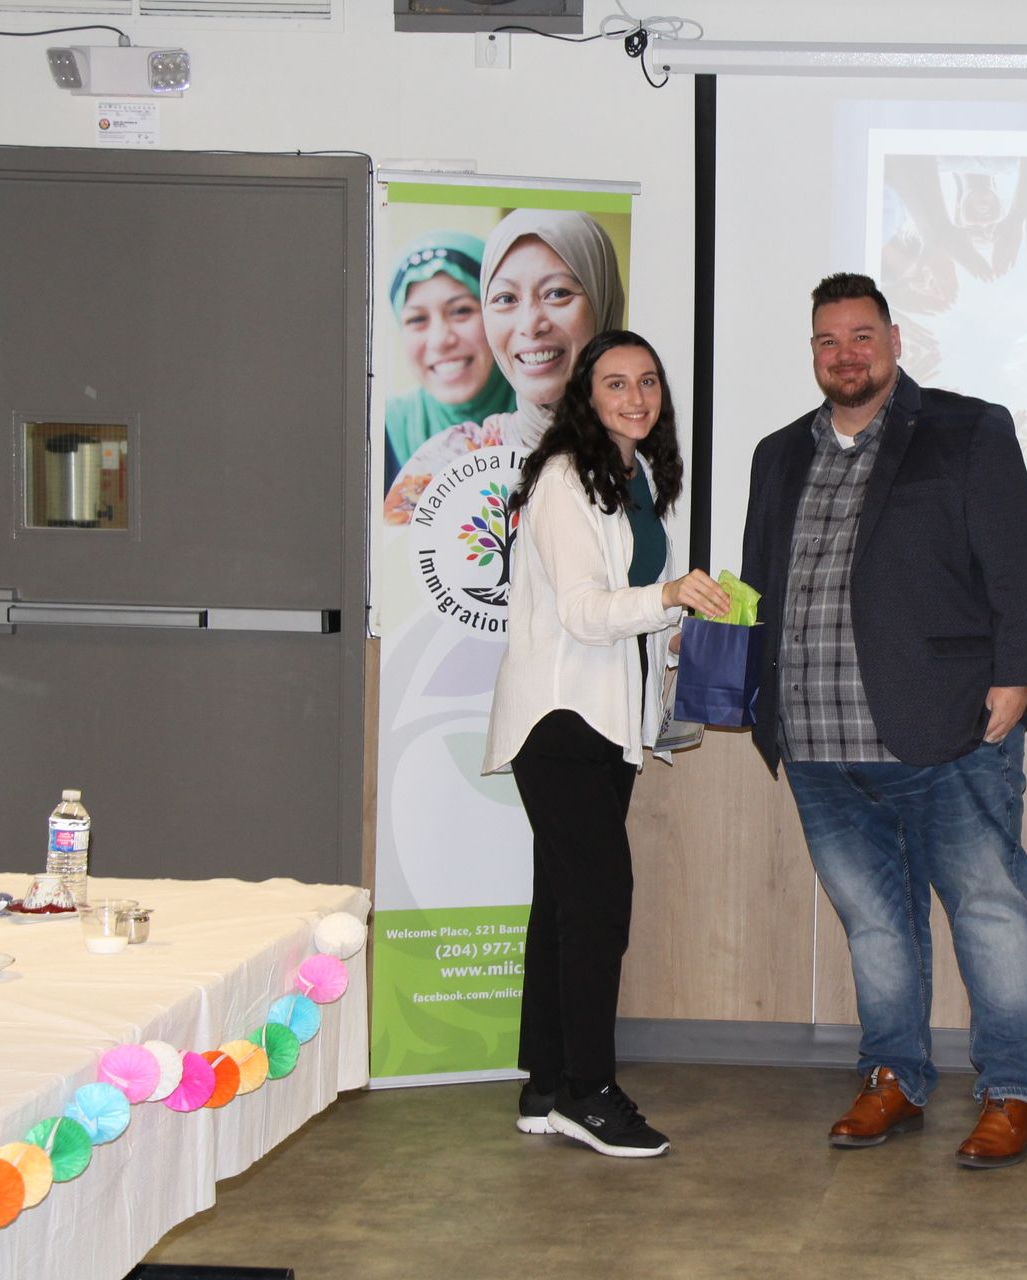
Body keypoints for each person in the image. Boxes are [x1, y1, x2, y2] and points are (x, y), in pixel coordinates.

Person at [739, 272, 1027, 1169]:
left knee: (990, 913)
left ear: (894, 340)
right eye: (827, 341)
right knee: (874, 924)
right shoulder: (776, 454)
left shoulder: (965, 428)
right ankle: (894, 1080)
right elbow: (762, 582)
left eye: (861, 336)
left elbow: (1017, 561)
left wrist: (1018, 675)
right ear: (813, 353)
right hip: (816, 743)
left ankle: (1013, 1093)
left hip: (949, 731)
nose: (845, 355)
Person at [481, 330, 729, 1158]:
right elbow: (587, 612)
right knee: (598, 907)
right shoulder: (563, 478)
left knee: (563, 903)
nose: (636, 397)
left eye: (648, 382)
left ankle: (546, 1081)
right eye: (616, 383)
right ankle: (589, 1091)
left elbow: (625, 611)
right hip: (560, 719)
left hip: (608, 720)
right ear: (586, 395)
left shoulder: (638, 475)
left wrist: (675, 626)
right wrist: (666, 594)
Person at [385, 210, 625, 523]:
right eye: (505, 298)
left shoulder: (650, 442)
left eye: (558, 293)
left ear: (601, 298)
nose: (529, 325)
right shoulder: (442, 460)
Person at [380, 230, 518, 495]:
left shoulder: (556, 422)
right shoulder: (380, 431)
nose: (440, 340)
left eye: (461, 311)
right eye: (417, 320)